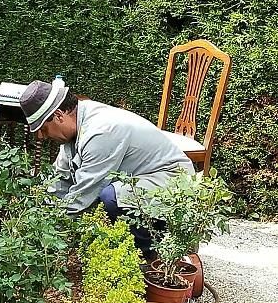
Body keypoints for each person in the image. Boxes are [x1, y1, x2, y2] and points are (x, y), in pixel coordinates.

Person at [19, 77, 195, 253]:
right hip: (143, 178)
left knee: (111, 196)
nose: (41, 137)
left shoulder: (100, 131)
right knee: (111, 194)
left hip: (173, 180)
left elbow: (84, 197)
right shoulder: (73, 130)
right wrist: (40, 216)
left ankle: (150, 253)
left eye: (42, 129)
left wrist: (49, 233)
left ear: (58, 116)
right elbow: (59, 180)